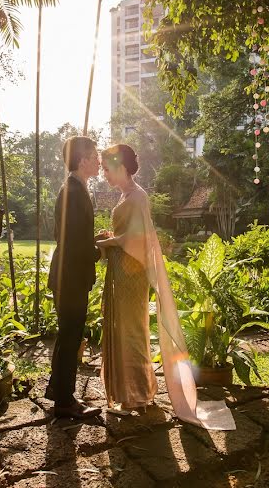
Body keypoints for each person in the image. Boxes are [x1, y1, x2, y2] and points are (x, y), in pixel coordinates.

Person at [95, 144, 235, 430]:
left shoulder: (137, 196)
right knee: (127, 329)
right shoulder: (128, 195)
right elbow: (128, 234)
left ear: (121, 167)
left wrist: (108, 241)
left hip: (130, 273)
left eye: (107, 169)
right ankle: (135, 393)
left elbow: (138, 238)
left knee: (132, 330)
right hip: (121, 271)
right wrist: (113, 237)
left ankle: (134, 396)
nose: (104, 174)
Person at [46, 136, 103, 419]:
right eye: (94, 155)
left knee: (67, 335)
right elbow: (70, 241)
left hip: (68, 273)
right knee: (70, 336)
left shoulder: (77, 188)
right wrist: (98, 250)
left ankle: (58, 392)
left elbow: (74, 234)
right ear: (82, 160)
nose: (98, 159)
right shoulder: (73, 191)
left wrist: (93, 241)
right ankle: (65, 402)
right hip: (70, 275)